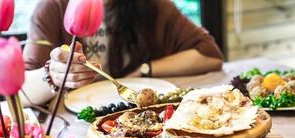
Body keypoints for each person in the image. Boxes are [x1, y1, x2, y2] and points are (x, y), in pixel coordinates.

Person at [23, 0, 223, 91]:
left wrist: (143, 70)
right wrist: (53, 76)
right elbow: (22, 88)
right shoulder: (53, 7)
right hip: (73, 128)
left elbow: (209, 55)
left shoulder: (153, 6)